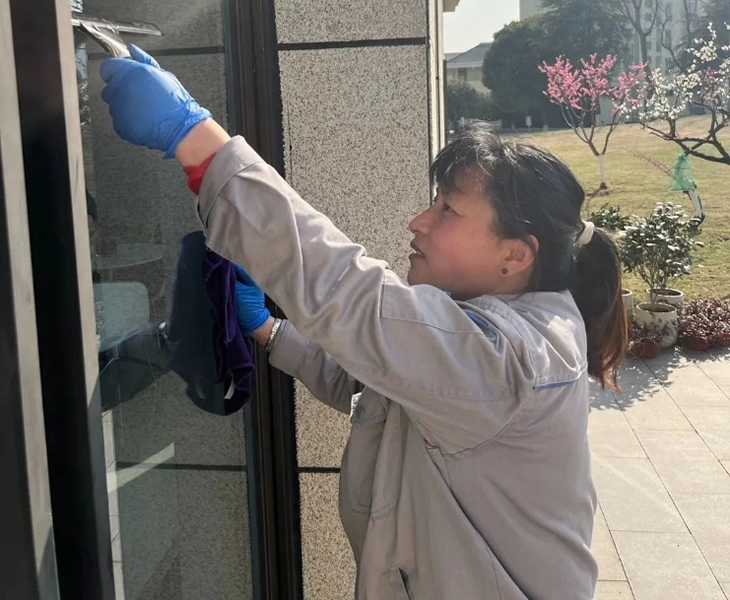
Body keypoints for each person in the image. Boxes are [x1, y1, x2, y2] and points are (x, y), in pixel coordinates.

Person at [100, 46, 628, 600]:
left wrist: (198, 141)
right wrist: (267, 330)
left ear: (515, 255)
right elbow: (381, 389)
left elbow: (353, 297)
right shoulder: (501, 333)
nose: (418, 221)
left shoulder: (512, 360)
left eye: (448, 210)